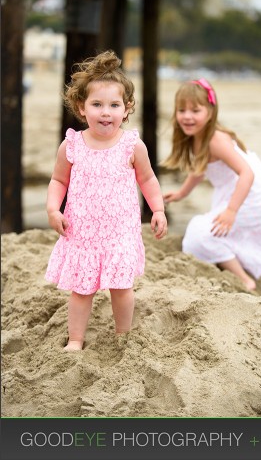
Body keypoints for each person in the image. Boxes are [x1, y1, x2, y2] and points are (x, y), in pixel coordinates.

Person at [45, 50, 169, 351]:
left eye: (114, 105)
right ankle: (76, 339)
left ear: (126, 109)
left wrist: (158, 209)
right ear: (81, 107)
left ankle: (122, 336)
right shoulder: (72, 144)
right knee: (81, 290)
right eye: (97, 104)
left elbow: (148, 179)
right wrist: (52, 208)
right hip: (83, 233)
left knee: (122, 288)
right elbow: (59, 180)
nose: (105, 112)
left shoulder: (132, 144)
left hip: (119, 233)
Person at [162, 79, 261, 308]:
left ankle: (244, 279)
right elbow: (199, 170)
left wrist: (231, 211)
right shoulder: (199, 138)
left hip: (252, 197)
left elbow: (246, 173)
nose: (187, 116)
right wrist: (181, 193)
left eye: (195, 110)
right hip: (252, 196)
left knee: (200, 233)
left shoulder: (215, 139)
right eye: (182, 110)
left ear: (210, 111)